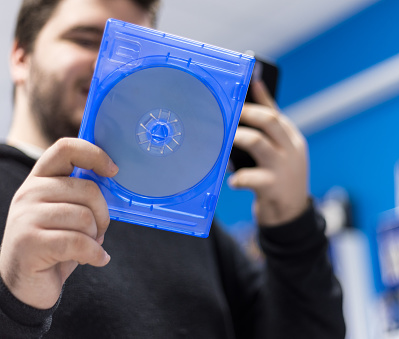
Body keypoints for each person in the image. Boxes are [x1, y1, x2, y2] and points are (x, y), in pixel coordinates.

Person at [0, 0, 346, 337]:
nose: (114, 66)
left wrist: (291, 222)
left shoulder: (174, 208)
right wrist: (15, 306)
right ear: (20, 56)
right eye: (86, 40)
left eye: (134, 52)